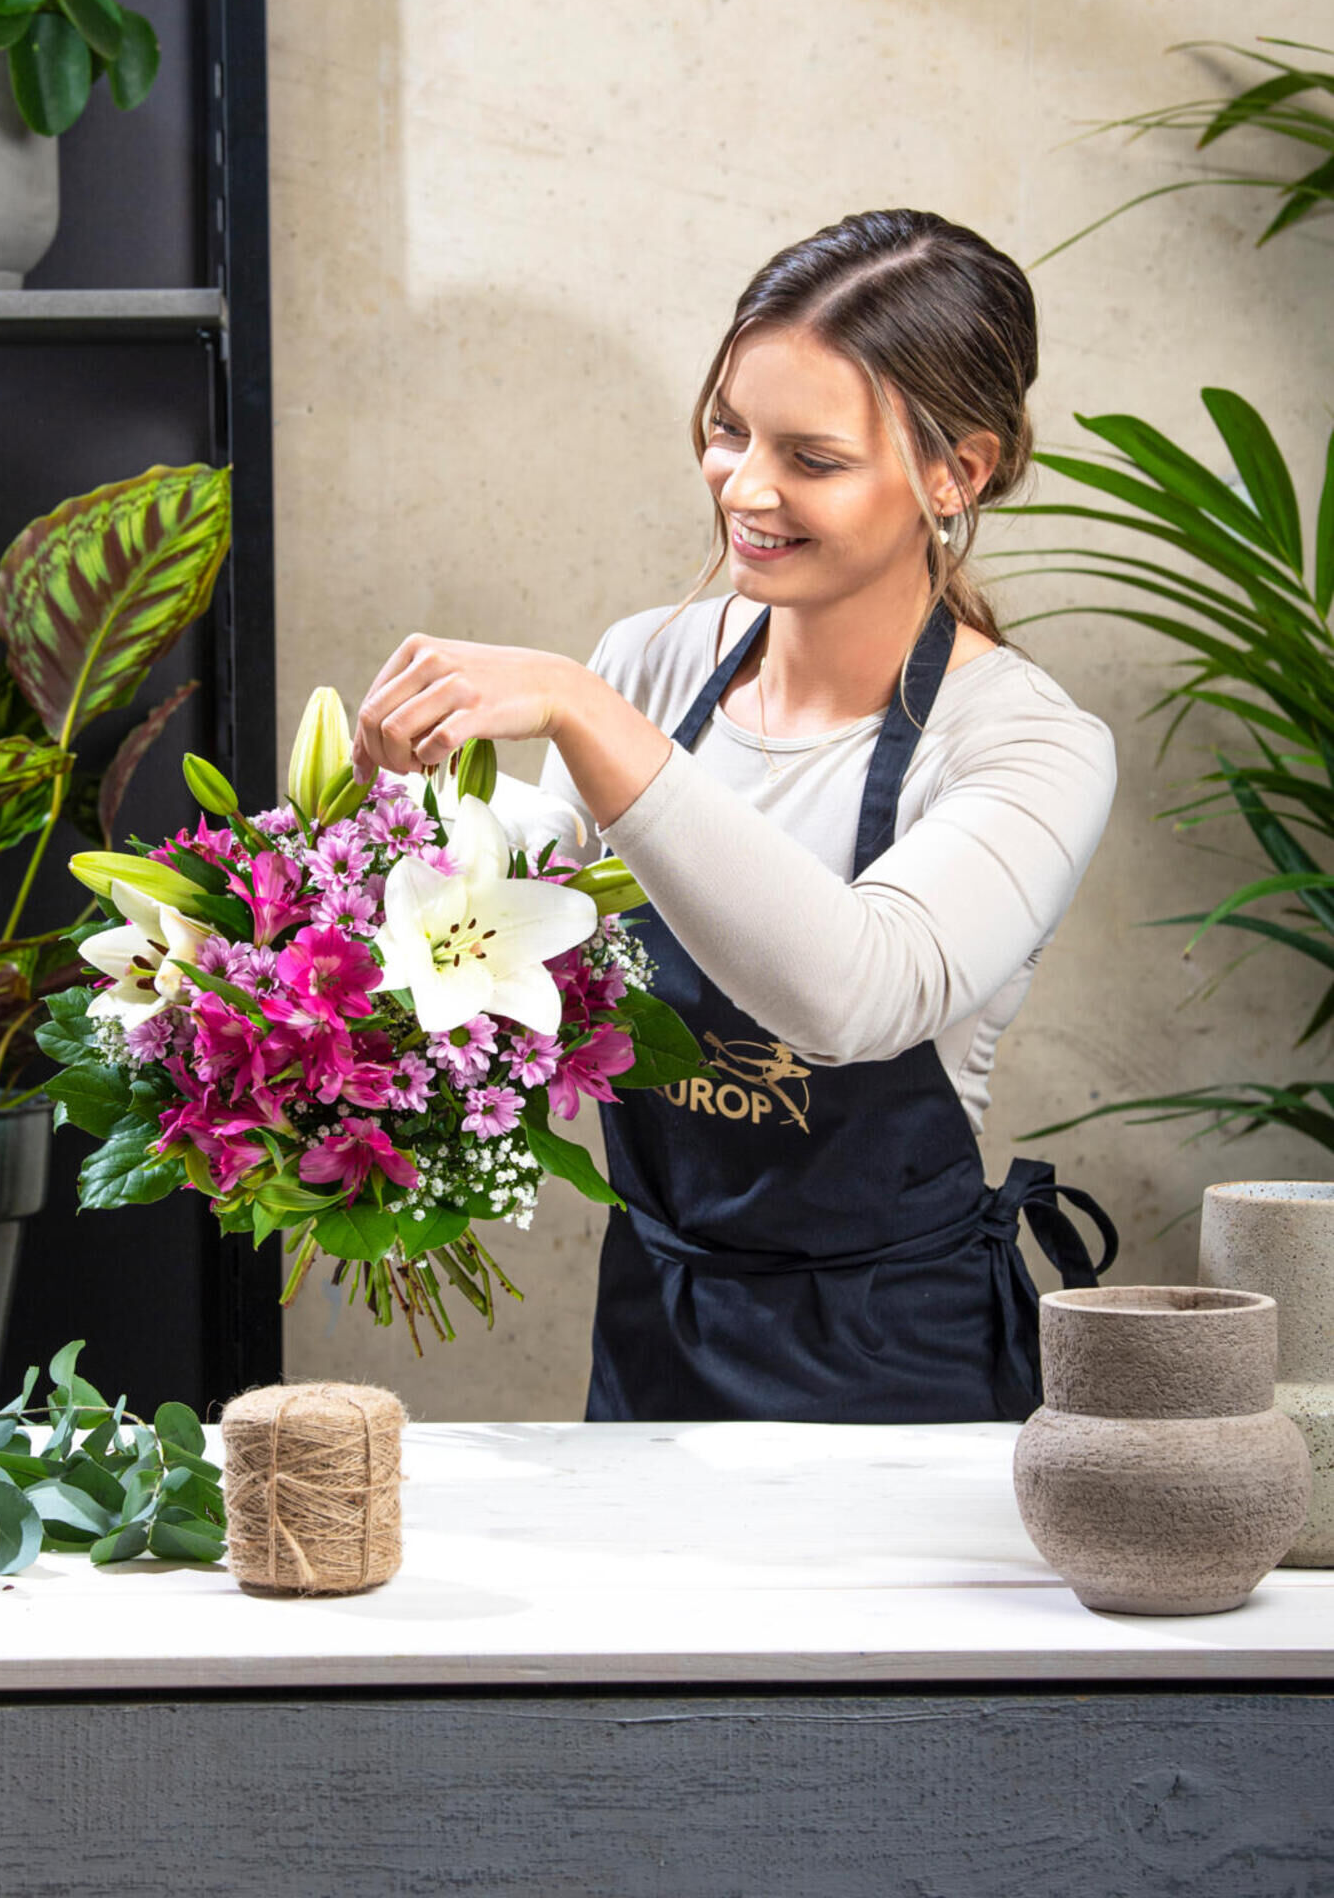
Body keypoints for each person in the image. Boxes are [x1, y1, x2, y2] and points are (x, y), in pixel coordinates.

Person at [351, 208, 1119, 1424]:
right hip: (655, 1335)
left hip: (892, 1371)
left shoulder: (1028, 744)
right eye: (727, 429)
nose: (745, 487)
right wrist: (407, 809)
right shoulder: (652, 662)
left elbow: (854, 992)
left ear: (957, 472)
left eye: (812, 458)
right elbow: (524, 933)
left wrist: (585, 713)